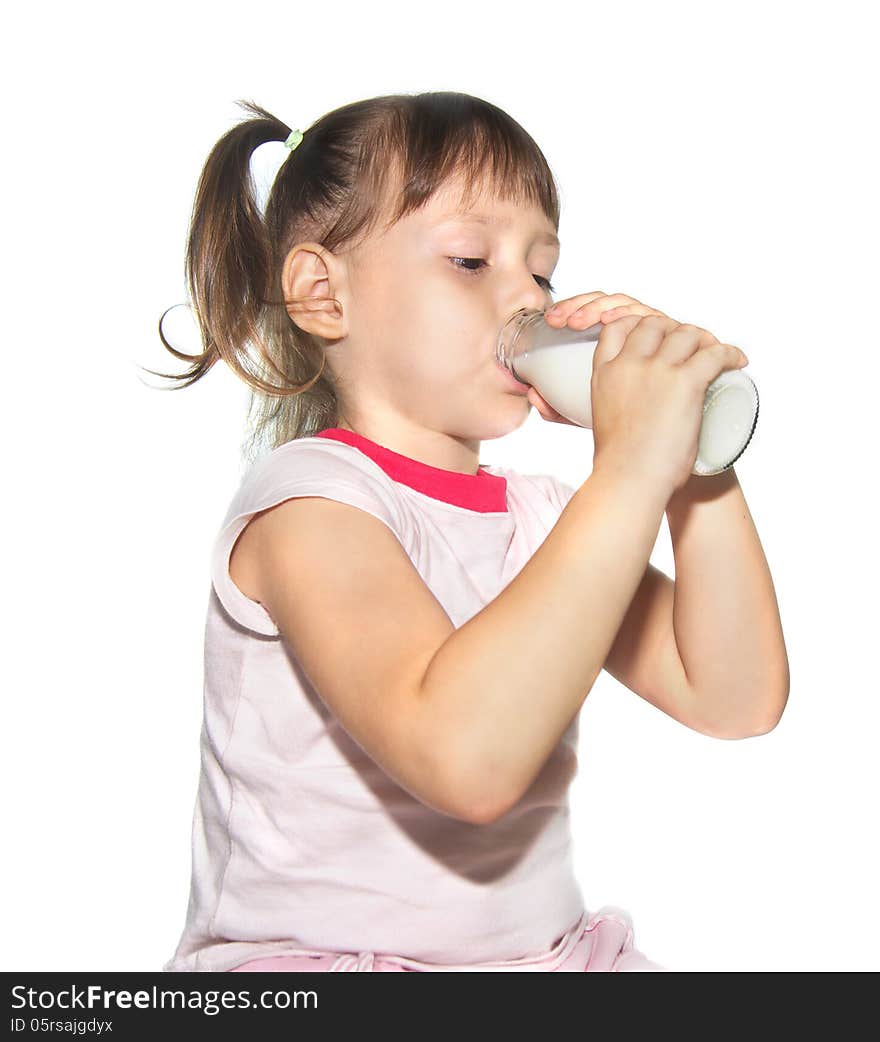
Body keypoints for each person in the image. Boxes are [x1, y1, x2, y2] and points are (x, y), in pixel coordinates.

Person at [153, 92, 788, 973]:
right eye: (468, 258)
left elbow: (733, 696)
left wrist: (691, 462)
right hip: (318, 967)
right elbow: (464, 762)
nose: (526, 296)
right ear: (322, 293)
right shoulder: (309, 508)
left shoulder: (545, 519)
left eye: (543, 272)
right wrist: (631, 471)